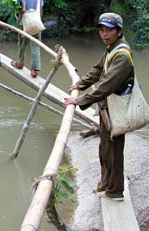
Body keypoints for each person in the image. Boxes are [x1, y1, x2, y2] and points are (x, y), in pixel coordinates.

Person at [63, 12, 134, 201]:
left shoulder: (122, 56)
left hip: (116, 109)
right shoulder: (112, 48)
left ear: (119, 31)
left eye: (109, 30)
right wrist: (81, 84)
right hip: (106, 108)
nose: (104, 34)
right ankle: (105, 182)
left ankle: (115, 189)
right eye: (102, 30)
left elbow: (107, 85)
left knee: (114, 150)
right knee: (104, 147)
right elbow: (97, 70)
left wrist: (80, 100)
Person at [11, 0, 44, 78]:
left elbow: (23, 9)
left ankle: (20, 63)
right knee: (36, 46)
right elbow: (40, 12)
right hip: (36, 24)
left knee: (22, 44)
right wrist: (37, 22)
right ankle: (34, 70)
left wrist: (17, 11)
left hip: (25, 24)